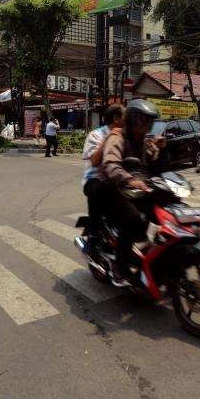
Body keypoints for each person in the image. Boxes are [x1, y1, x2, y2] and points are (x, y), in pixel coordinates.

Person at [99, 99, 168, 286]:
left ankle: (153, 250)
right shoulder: (118, 138)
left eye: (149, 121)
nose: (146, 125)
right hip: (116, 189)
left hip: (138, 190)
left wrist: (160, 149)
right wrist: (131, 180)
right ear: (131, 120)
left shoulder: (145, 141)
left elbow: (155, 164)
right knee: (133, 219)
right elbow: (110, 165)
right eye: (142, 120)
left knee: (167, 210)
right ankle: (119, 267)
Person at [81, 104, 125, 236]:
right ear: (116, 118)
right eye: (125, 116)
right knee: (96, 190)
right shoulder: (96, 135)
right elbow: (94, 161)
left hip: (118, 177)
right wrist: (108, 138)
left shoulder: (126, 135)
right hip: (96, 178)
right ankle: (94, 234)